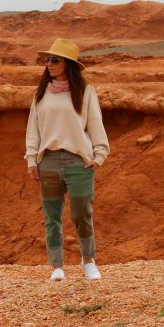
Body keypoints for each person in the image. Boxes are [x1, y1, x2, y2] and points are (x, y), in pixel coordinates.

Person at [25, 38, 109, 282]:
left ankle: (88, 260)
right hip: (48, 161)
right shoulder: (41, 93)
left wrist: (100, 154)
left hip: (78, 162)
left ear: (68, 64)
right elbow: (34, 129)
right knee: (52, 215)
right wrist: (32, 160)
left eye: (54, 59)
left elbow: (95, 123)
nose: (49, 64)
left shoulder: (85, 92)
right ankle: (56, 266)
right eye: (47, 60)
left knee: (82, 212)